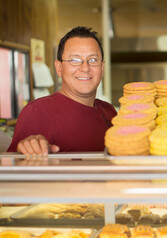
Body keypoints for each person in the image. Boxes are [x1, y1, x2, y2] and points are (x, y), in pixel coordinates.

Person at [7, 26, 117, 156]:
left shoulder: (109, 111)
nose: (85, 68)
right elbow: (14, 168)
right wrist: (28, 147)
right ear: (59, 68)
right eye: (75, 60)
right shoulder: (36, 113)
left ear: (102, 68)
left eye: (93, 60)